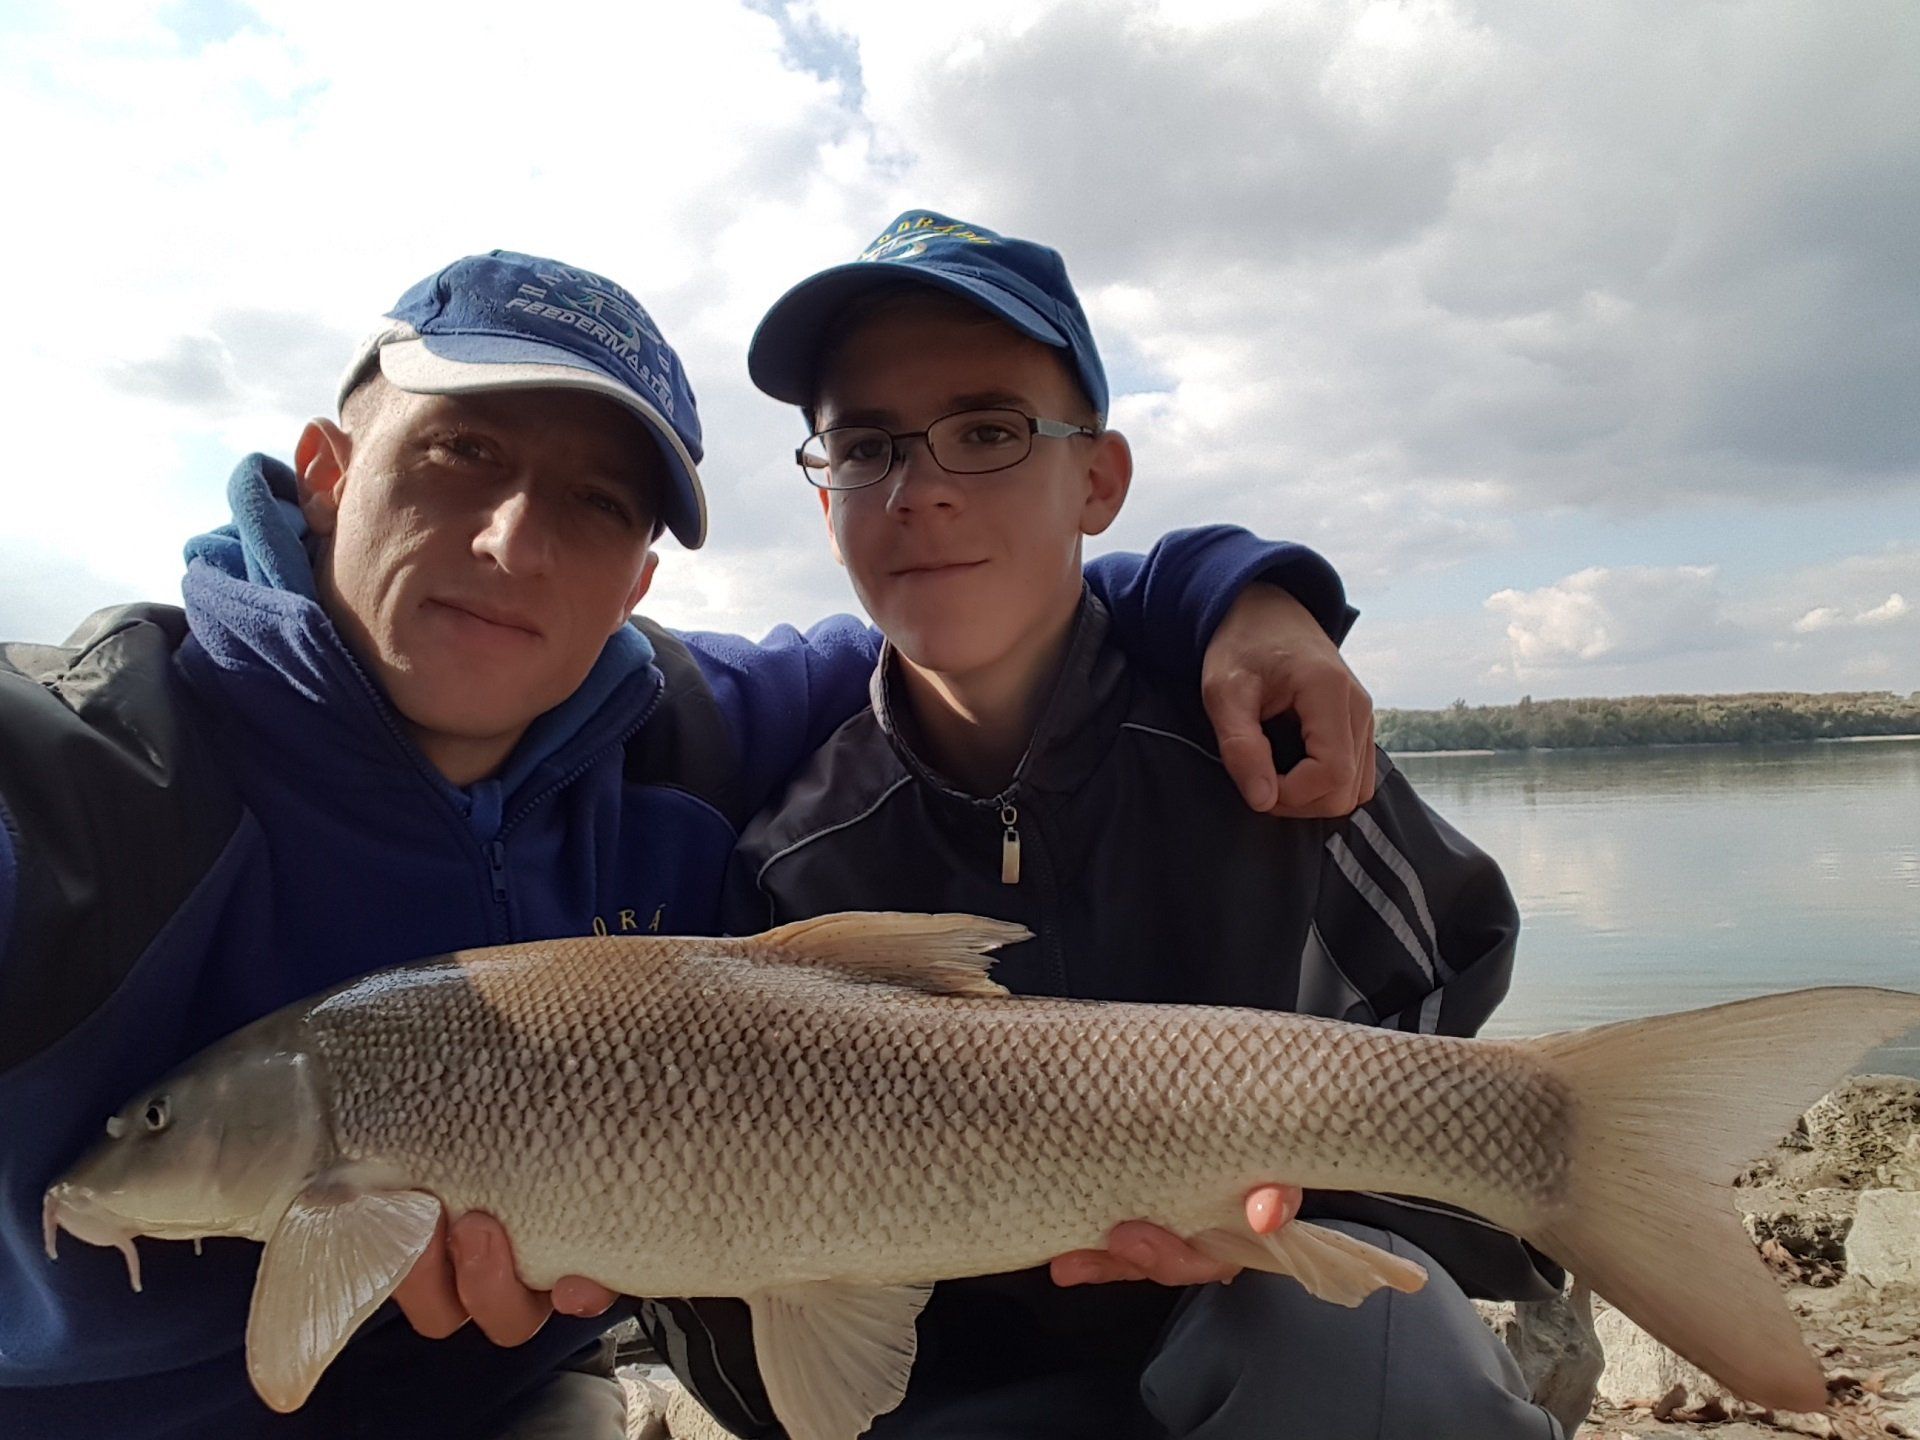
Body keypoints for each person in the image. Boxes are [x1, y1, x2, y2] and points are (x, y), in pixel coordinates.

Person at [0, 248, 1376, 1440]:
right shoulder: (80, 783)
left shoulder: (687, 730)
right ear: (325, 475)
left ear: (642, 580)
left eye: (597, 503)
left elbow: (988, 593)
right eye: (460, 454)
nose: (514, 541)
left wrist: (1239, 598)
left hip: (504, 1406)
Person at [640, 212, 1567, 1440]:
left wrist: (1292, 1206)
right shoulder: (793, 860)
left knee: (1367, 1342)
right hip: (971, 1388)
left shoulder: (1265, 747)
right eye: (867, 447)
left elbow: (1446, 999)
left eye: (988, 432)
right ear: (825, 499)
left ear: (1100, 480)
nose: (920, 495)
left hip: (1279, 1337)